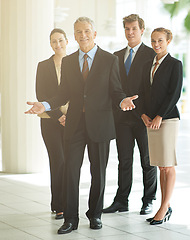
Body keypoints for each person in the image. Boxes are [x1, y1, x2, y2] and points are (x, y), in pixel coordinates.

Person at [25, 17, 138, 234]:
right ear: (74, 36)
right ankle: (70, 219)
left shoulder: (109, 59)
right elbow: (63, 94)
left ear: (94, 34)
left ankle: (94, 215)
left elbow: (115, 90)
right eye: (78, 32)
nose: (83, 35)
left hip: (100, 125)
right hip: (75, 125)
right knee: (70, 172)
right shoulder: (68, 61)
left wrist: (122, 100)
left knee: (99, 173)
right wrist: (45, 105)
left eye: (86, 31)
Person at [103, 14, 157, 216]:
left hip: (144, 118)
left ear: (142, 30)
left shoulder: (151, 54)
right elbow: (112, 87)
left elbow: (153, 88)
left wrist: (144, 111)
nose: (130, 32)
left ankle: (148, 200)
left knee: (147, 160)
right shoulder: (115, 56)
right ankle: (121, 201)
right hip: (122, 119)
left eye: (134, 28)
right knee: (124, 161)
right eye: (127, 28)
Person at [139, 27, 183, 225]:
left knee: (168, 165)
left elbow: (174, 94)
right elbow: (142, 91)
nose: (156, 44)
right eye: (153, 41)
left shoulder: (175, 64)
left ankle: (164, 207)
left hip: (168, 119)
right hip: (151, 119)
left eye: (160, 41)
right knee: (160, 166)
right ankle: (164, 206)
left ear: (168, 41)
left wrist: (159, 116)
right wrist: (143, 114)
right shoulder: (148, 64)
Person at [36, 28, 68, 220]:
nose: (58, 44)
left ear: (67, 41)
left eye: (61, 40)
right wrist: (58, 116)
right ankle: (59, 205)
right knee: (58, 161)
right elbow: (42, 96)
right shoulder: (43, 66)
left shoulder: (74, 63)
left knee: (69, 162)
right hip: (50, 121)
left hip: (71, 120)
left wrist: (69, 116)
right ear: (50, 44)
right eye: (54, 41)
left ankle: (66, 201)